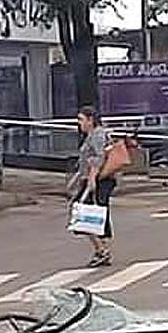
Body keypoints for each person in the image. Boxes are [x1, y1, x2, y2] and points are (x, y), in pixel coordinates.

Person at [68, 106, 116, 267]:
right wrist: (76, 178)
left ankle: (102, 250)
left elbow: (97, 158)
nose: (79, 123)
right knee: (94, 214)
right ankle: (102, 249)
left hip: (99, 179)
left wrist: (91, 179)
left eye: (81, 119)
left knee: (85, 213)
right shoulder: (92, 135)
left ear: (90, 120)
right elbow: (86, 161)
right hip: (93, 178)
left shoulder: (97, 135)